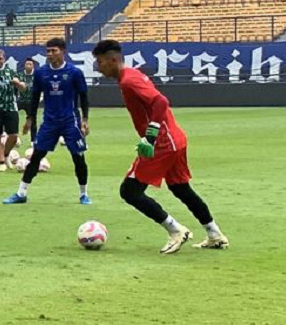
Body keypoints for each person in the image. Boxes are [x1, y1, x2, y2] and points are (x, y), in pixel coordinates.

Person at [92, 40, 229, 254]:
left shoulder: (129, 80)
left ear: (113, 60)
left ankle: (175, 230)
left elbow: (161, 102)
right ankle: (214, 234)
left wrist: (151, 136)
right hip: (175, 139)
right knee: (180, 188)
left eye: (99, 62)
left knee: (129, 191)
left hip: (163, 143)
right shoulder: (130, 76)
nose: (97, 67)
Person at [3, 37, 91, 205]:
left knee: (78, 157)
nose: (50, 54)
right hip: (49, 122)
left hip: (70, 121)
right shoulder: (41, 73)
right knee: (36, 157)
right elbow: (35, 97)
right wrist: (30, 119)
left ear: (63, 52)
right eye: (48, 51)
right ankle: (21, 193)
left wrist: (85, 119)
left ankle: (83, 194)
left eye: (54, 51)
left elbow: (84, 96)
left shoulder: (74, 72)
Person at [17, 57, 38, 142]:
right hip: (20, 100)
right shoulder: (19, 75)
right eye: (27, 64)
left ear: (33, 66)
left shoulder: (37, 76)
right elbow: (14, 88)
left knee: (33, 120)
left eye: (30, 64)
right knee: (12, 116)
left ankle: (33, 140)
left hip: (31, 101)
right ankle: (13, 136)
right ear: (24, 65)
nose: (28, 66)